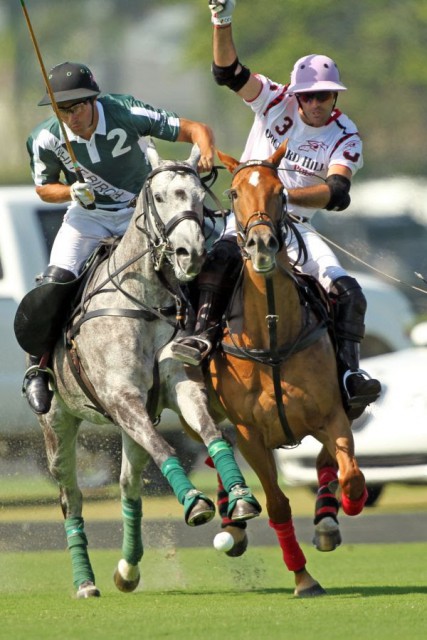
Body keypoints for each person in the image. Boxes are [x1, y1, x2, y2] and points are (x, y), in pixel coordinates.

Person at [171, 0, 381, 419]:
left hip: (297, 227)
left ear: (335, 95)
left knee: (349, 292)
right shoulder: (275, 100)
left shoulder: (345, 132)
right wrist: (222, 20)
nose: (317, 103)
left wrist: (282, 197)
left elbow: (337, 190)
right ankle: (199, 339)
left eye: (325, 95)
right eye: (309, 96)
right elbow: (227, 72)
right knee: (212, 264)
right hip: (245, 219)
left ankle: (349, 375)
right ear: (297, 95)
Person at [22, 60, 216, 415]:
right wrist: (69, 192)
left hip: (141, 215)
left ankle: (208, 340)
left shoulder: (124, 111)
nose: (71, 117)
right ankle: (39, 367)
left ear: (92, 100)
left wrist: (205, 152)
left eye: (76, 107)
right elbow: (41, 188)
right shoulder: (45, 137)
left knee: (203, 260)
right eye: (61, 109)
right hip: (87, 218)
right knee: (55, 281)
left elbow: (195, 128)